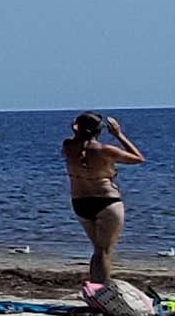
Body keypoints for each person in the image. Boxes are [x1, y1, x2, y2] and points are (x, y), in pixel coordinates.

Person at [62, 113, 144, 286]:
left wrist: (77, 130)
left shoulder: (68, 146)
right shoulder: (105, 150)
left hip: (80, 202)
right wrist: (119, 135)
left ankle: (96, 286)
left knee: (98, 251)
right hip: (106, 202)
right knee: (104, 251)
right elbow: (138, 158)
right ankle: (102, 289)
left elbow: (79, 144)